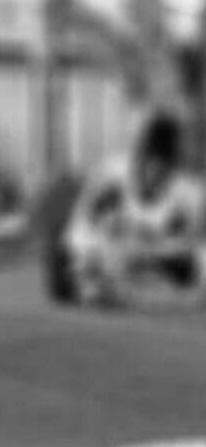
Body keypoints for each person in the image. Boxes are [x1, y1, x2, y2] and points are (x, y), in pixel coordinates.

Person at [63, 111, 206, 309]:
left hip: (154, 263)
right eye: (153, 166)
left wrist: (163, 250)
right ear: (141, 158)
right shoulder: (112, 177)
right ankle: (101, 289)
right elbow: (83, 230)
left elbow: (193, 244)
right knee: (96, 257)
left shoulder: (187, 192)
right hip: (106, 258)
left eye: (166, 170)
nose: (157, 177)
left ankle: (136, 292)